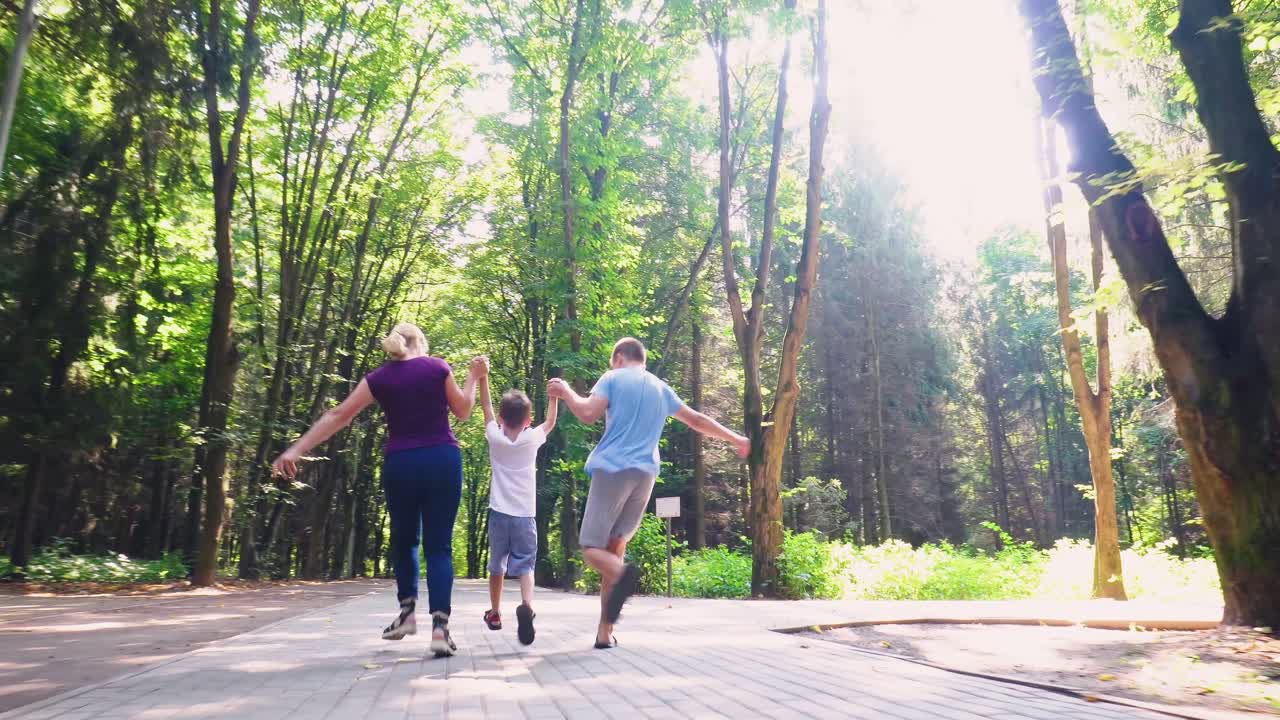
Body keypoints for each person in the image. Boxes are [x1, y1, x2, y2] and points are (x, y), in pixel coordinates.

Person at [271, 322, 486, 657]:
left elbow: (339, 415)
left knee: (404, 541)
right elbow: (463, 411)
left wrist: (295, 450)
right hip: (442, 460)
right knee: (439, 547)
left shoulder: (379, 377)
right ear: (421, 343)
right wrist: (474, 377)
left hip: (400, 464)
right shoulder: (437, 367)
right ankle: (440, 629)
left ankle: (406, 614)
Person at [548, 337, 749, 649]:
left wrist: (565, 392)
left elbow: (587, 413)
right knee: (614, 550)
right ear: (642, 359)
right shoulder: (660, 387)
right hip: (645, 477)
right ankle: (605, 633)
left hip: (612, 471)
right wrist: (736, 438)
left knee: (591, 549)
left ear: (618, 358)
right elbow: (696, 420)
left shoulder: (612, 378)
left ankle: (626, 574)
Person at [478, 376, 558, 646]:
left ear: (501, 418)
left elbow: (486, 408)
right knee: (526, 564)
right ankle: (526, 605)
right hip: (525, 514)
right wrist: (553, 397)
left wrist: (483, 378)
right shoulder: (532, 439)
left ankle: (496, 612)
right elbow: (550, 423)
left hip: (499, 512)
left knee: (497, 564)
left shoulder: (495, 438)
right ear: (528, 420)